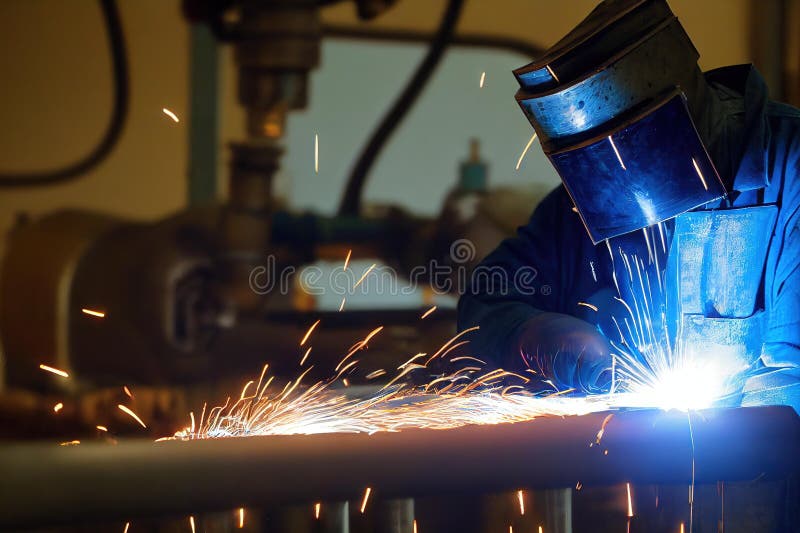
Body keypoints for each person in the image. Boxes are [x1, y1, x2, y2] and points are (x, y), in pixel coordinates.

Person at [458, 0, 800, 409]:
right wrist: (531, 334)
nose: (635, 215)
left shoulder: (790, 171)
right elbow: (485, 302)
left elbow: (787, 398)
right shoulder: (587, 201)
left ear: (680, 111)